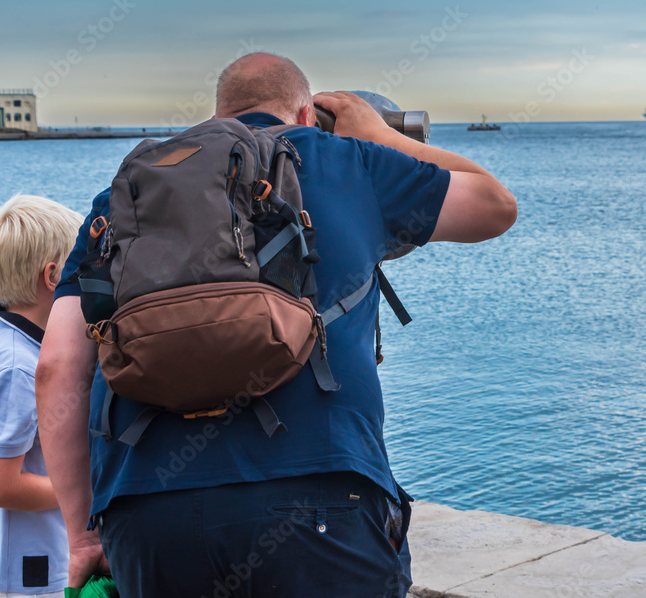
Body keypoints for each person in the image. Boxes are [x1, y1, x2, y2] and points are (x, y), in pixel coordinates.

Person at [35, 52, 517, 597]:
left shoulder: (125, 194)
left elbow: (56, 370)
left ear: (218, 115)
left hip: (146, 509)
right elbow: (495, 206)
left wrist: (81, 537)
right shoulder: (348, 160)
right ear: (308, 114)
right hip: (319, 496)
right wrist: (382, 135)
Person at [0, 195, 83, 598]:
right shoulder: (17, 366)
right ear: (53, 276)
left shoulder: (1, 343)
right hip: (30, 566)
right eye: (81, 266)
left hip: (5, 555)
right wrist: (85, 488)